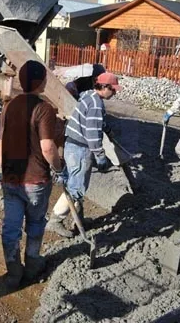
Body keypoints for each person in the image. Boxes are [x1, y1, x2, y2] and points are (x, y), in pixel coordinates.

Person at [0, 60, 66, 289]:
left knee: (11, 227)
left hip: (11, 179)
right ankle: (32, 265)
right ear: (40, 81)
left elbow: (2, 142)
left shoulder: (9, 106)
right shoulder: (44, 109)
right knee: (35, 223)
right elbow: (47, 148)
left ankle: (14, 273)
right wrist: (59, 169)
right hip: (35, 180)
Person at [46, 72, 121, 238]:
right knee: (77, 187)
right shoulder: (96, 104)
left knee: (77, 183)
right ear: (104, 87)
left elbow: (93, 120)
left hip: (72, 145)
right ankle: (55, 221)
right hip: (81, 149)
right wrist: (101, 157)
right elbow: (93, 136)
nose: (115, 93)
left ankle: (78, 219)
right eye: (113, 90)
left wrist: (106, 127)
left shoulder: (88, 95)